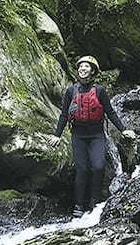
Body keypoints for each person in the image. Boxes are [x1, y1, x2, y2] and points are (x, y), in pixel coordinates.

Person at [50, 55, 126, 218]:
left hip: (96, 135)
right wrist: (57, 135)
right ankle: (79, 204)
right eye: (80, 67)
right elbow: (64, 115)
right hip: (78, 136)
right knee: (82, 170)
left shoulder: (99, 90)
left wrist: (122, 129)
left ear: (92, 71)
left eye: (86, 67)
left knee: (98, 167)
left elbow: (110, 112)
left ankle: (95, 201)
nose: (83, 69)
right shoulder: (71, 91)